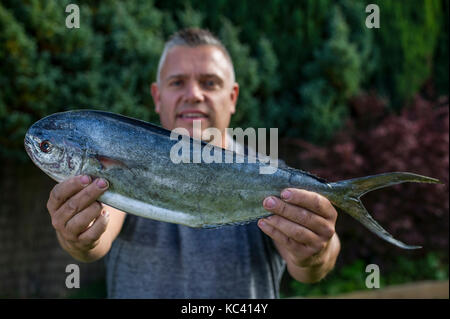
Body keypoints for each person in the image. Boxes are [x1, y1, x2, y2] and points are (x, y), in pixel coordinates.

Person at [46, 28, 340, 298]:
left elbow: (308, 269)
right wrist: (78, 236)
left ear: (233, 96)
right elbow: (96, 236)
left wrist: (318, 252)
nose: (194, 95)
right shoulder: (126, 152)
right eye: (177, 82)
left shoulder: (269, 170)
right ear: (157, 97)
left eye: (209, 83)